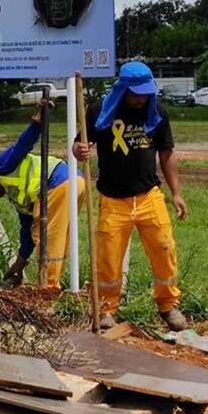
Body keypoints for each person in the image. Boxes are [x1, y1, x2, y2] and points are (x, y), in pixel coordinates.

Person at [73, 61, 190, 331]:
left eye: (145, 92)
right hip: (113, 200)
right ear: (123, 88)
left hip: (149, 196)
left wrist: (176, 193)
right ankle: (105, 309)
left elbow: (166, 154)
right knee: (108, 259)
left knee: (164, 249)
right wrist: (79, 151)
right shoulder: (98, 112)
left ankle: (168, 305)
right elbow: (78, 145)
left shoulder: (156, 111)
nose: (141, 98)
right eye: (136, 93)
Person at [0, 100, 85, 289]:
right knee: (59, 238)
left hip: (58, 183)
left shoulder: (1, 167)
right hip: (75, 181)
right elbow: (27, 233)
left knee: (48, 238)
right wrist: (19, 264)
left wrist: (37, 123)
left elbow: (21, 146)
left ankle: (47, 289)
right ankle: (52, 285)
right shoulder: (17, 198)